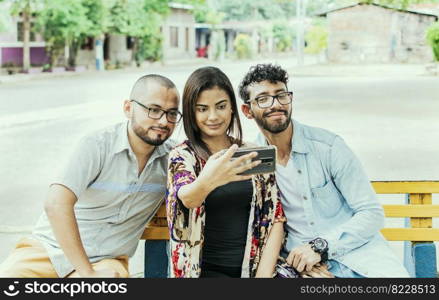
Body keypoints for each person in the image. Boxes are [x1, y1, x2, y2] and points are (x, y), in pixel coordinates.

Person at [0, 74, 181, 278]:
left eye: (172, 113)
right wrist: (87, 274)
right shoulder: (97, 146)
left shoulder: (174, 161)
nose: (164, 121)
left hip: (107, 261)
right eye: (154, 110)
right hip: (47, 251)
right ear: (128, 108)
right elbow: (56, 204)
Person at [238, 63, 410, 278]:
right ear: (247, 110)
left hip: (360, 257)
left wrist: (321, 248)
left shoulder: (328, 147)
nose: (276, 104)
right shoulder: (255, 161)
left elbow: (372, 213)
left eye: (281, 95)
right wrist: (293, 264)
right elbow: (267, 228)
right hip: (301, 266)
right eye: (263, 98)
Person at [165, 66, 287, 278]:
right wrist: (212, 179)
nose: (213, 116)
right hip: (203, 272)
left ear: (232, 107)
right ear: (191, 112)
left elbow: (275, 215)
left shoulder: (251, 153)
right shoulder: (183, 155)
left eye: (220, 106)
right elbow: (186, 197)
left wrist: (263, 278)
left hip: (254, 270)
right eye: (202, 109)